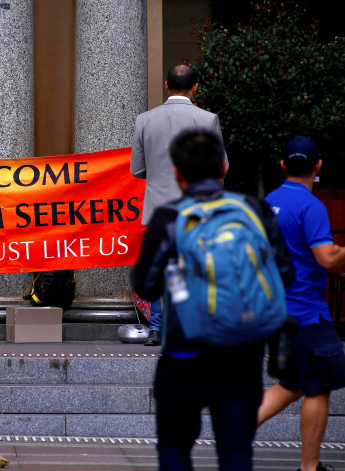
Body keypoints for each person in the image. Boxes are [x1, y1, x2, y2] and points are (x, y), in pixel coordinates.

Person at [131, 129, 294, 470]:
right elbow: (285, 273)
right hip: (243, 351)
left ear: (176, 172)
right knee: (236, 452)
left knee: (175, 449)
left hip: (185, 350)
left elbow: (145, 284)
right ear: (224, 167)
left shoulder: (170, 218)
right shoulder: (255, 209)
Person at [258, 137, 345, 471]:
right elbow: (325, 257)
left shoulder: (268, 202)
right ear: (318, 166)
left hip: (278, 312)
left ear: (282, 166)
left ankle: (234, 434)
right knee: (319, 386)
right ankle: (310, 468)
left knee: (292, 384)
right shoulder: (311, 206)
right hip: (309, 314)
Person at [130, 64, 228, 346]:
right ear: (195, 87)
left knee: (161, 267)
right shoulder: (207, 119)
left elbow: (137, 169)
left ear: (165, 85)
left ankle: (157, 327)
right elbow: (221, 166)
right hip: (196, 208)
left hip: (157, 209)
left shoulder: (144, 120)